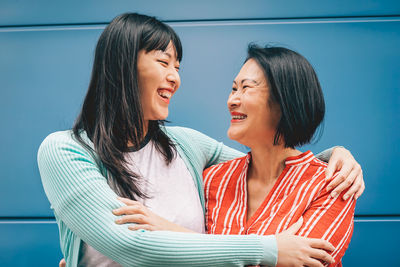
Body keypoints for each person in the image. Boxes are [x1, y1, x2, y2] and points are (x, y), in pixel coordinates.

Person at [38, 13, 363, 267]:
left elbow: (271, 161)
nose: (175, 77)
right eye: (163, 62)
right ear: (122, 65)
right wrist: (270, 249)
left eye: (177, 66)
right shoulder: (67, 150)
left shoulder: (187, 146)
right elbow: (131, 246)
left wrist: (336, 155)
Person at [118, 45, 357, 266]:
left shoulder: (332, 185)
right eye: (233, 89)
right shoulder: (213, 180)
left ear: (285, 101)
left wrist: (169, 230)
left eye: (246, 88)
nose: (232, 100)